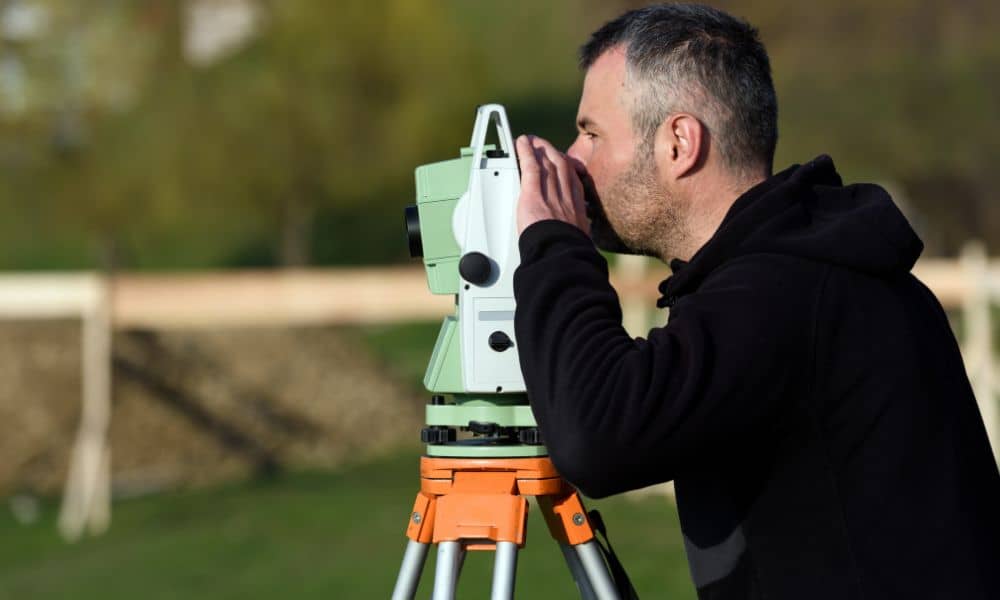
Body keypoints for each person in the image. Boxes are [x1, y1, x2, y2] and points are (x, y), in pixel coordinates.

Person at [511, 4, 1000, 599]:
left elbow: (597, 434)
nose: (573, 158)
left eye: (592, 133)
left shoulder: (782, 295)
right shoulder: (816, 273)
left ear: (679, 142)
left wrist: (554, 244)